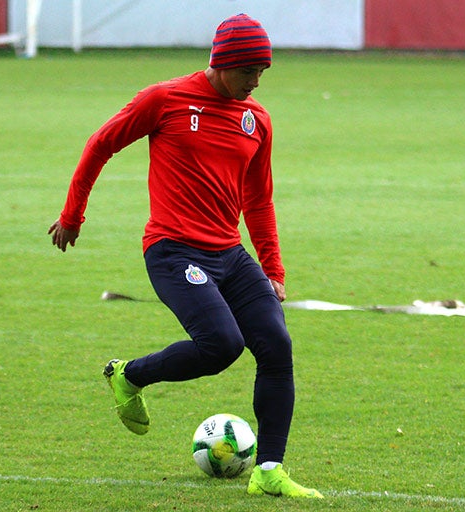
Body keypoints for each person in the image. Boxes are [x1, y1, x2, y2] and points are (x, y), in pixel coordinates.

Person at [48, 13, 322, 499]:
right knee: (221, 344)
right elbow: (101, 144)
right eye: (249, 71)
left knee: (276, 346)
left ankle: (269, 471)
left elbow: (258, 199)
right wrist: (73, 215)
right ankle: (129, 375)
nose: (256, 81)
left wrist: (273, 269)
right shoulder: (166, 99)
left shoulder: (256, 119)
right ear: (221, 62)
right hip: (173, 249)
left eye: (263, 72)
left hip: (229, 254)